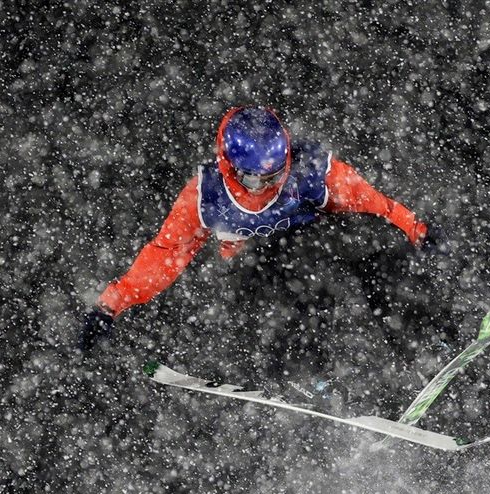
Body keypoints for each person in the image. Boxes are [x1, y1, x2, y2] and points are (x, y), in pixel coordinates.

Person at [78, 105, 435, 352]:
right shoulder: (207, 198)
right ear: (229, 165)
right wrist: (110, 306)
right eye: (252, 178)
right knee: (281, 281)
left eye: (275, 175)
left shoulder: (308, 168)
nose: (265, 186)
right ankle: (306, 373)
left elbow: (369, 202)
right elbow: (165, 255)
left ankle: (422, 331)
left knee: (367, 240)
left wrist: (415, 229)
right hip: (256, 273)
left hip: (314, 252)